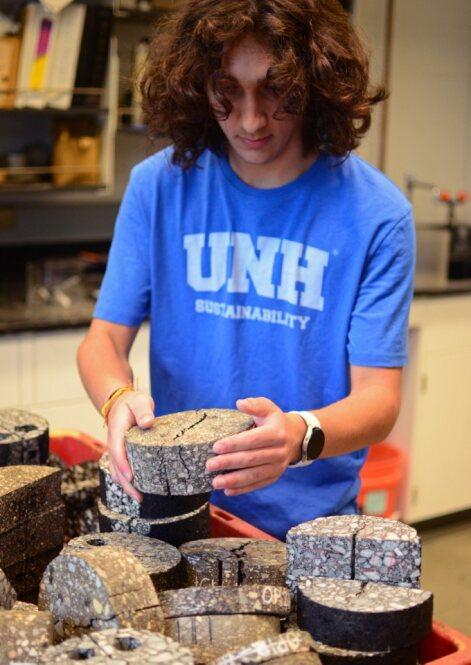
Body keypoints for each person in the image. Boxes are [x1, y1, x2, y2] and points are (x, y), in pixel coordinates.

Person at [77, 0, 415, 541]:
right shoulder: (158, 187)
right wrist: (117, 399)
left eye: (275, 89)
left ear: (314, 82)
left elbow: (379, 399)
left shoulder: (377, 214)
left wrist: (301, 435)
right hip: (180, 512)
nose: (251, 119)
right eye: (227, 91)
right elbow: (102, 342)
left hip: (309, 530)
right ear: (196, 84)